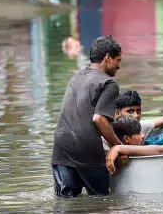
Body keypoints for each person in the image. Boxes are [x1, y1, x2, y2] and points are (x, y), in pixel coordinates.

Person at [51, 36, 123, 197]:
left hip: (61, 146)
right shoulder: (109, 83)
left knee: (66, 203)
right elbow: (99, 119)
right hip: (86, 147)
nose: (119, 66)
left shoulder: (76, 77)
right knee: (101, 201)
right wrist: (119, 147)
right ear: (107, 57)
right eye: (118, 60)